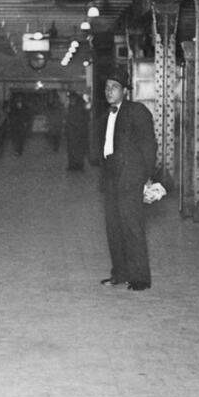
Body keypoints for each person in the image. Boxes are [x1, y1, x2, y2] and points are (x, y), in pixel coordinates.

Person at [100, 66, 157, 292]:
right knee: (114, 228)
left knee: (132, 228)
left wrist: (147, 177)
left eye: (114, 87)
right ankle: (120, 273)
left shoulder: (137, 111)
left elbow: (149, 146)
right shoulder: (107, 115)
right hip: (111, 176)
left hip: (130, 177)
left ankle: (140, 278)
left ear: (125, 91)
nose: (109, 91)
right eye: (106, 87)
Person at [65, 91, 88, 170]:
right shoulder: (71, 106)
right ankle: (73, 165)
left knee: (78, 149)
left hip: (78, 131)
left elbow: (83, 119)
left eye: (71, 98)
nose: (71, 100)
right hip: (72, 132)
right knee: (72, 149)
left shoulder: (79, 107)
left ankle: (78, 165)